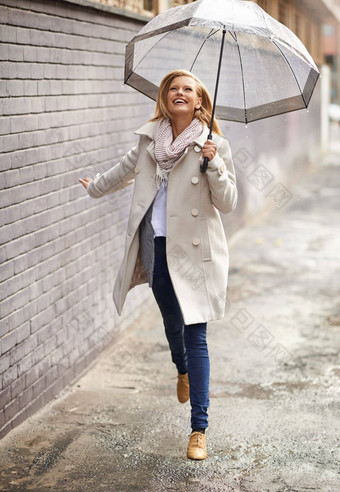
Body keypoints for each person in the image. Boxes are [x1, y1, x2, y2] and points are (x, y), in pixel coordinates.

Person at [79, 69, 238, 461]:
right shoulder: (150, 139)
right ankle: (180, 368)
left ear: (199, 101)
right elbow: (124, 170)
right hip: (157, 245)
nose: (179, 93)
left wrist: (214, 164)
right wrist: (96, 186)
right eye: (173, 89)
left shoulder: (213, 144)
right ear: (166, 98)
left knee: (195, 333)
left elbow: (229, 201)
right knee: (171, 322)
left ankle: (199, 429)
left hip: (195, 253)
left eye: (188, 89)